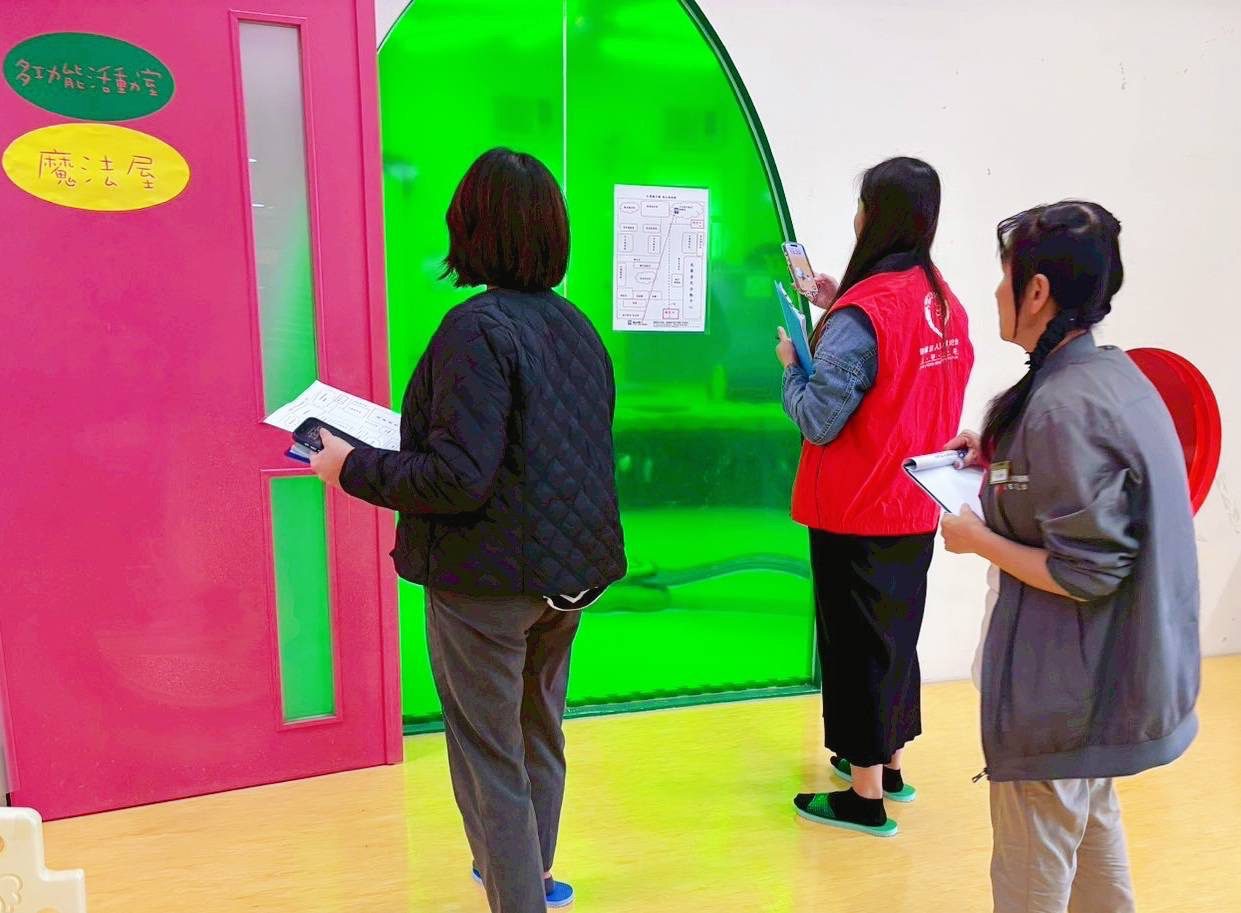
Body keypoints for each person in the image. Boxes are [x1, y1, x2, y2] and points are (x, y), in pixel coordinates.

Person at [309, 148, 626, 913]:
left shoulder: (474, 328)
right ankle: (533, 879)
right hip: (566, 577)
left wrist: (349, 466)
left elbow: (457, 477)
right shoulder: (576, 327)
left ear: (470, 226)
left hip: (486, 581)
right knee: (538, 732)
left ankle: (517, 896)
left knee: (490, 756)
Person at [940, 201, 1200, 913]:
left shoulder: (1060, 406)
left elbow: (1086, 570)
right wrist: (995, 460)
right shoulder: (1112, 378)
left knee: (1033, 871)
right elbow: (1070, 489)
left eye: (1004, 276)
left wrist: (977, 539)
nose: (996, 291)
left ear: (1036, 292)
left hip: (1059, 694)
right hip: (1098, 685)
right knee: (1091, 838)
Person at [776, 157, 974, 836]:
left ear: (876, 216)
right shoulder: (939, 298)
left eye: (861, 205)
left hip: (855, 507)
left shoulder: (864, 313)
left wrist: (793, 368)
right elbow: (899, 369)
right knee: (893, 640)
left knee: (854, 646)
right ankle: (888, 765)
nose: (855, 216)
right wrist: (839, 305)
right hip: (914, 500)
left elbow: (817, 417)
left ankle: (863, 797)